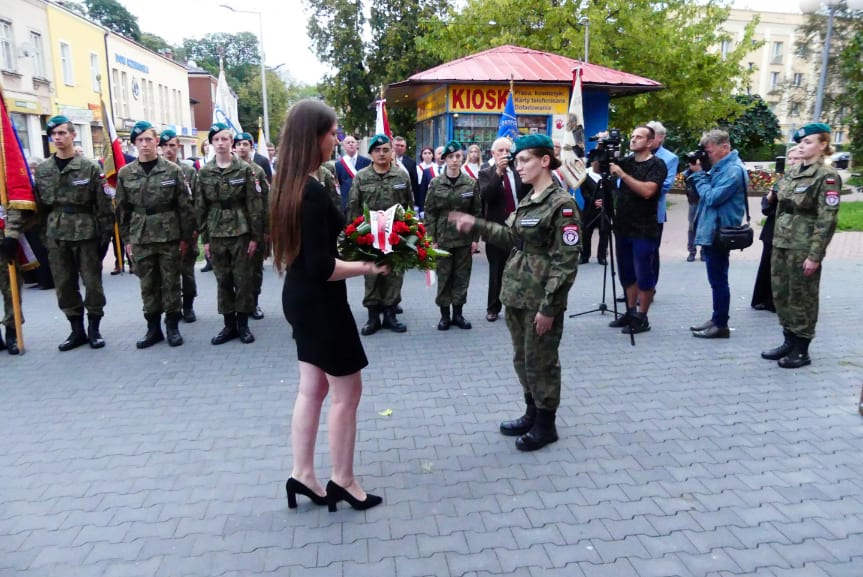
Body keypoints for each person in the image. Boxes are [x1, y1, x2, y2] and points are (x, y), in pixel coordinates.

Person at [271, 99, 387, 512]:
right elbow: (324, 267)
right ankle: (344, 480)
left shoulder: (288, 183)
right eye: (333, 132)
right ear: (314, 136)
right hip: (321, 304)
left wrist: (384, 234)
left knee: (313, 388)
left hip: (299, 300)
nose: (337, 139)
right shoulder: (313, 191)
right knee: (347, 393)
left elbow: (334, 235)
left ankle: (302, 474)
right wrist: (369, 267)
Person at [449, 134, 583, 451]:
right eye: (517, 160)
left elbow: (565, 264)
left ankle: (546, 424)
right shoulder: (528, 199)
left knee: (542, 361)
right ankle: (531, 412)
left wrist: (550, 308)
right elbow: (511, 236)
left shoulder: (561, 205)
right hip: (517, 294)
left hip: (540, 298)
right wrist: (475, 224)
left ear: (545, 161)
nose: (517, 165)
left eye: (524, 160)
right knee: (523, 359)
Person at [761, 123, 841, 368]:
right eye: (801, 142)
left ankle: (802, 348)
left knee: (802, 296)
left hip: (803, 245)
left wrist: (815, 255)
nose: (802, 146)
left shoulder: (826, 176)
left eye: (808, 142)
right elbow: (777, 202)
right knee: (781, 294)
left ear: (823, 145)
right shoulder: (793, 172)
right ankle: (788, 339)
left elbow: (826, 219)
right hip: (782, 242)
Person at [33, 115, 114, 351]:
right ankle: (76, 329)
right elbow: (40, 207)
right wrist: (44, 237)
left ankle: (94, 328)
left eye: (62, 133)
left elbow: (103, 206)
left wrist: (105, 237)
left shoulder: (89, 167)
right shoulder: (44, 169)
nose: (57, 138)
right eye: (53, 135)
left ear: (73, 135)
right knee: (64, 284)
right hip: (56, 234)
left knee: (92, 283)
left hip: (85, 232)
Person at [116, 121, 196, 348]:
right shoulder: (126, 173)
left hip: (169, 234)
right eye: (140, 140)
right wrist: (127, 240)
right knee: (148, 284)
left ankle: (172, 327)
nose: (144, 144)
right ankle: (153, 329)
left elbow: (185, 207)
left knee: (171, 282)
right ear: (134, 144)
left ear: (156, 142)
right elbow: (122, 209)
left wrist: (185, 237)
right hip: (141, 235)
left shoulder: (173, 170)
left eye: (148, 139)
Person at [196, 123, 264, 345]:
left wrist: (255, 236)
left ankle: (243, 325)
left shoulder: (244, 169)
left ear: (231, 143)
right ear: (211, 143)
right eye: (217, 139)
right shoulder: (205, 172)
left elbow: (253, 204)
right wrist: (204, 239)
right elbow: (201, 207)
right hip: (216, 232)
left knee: (242, 278)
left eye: (225, 139)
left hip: (240, 230)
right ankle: (228, 325)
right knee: (223, 280)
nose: (221, 143)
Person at [347, 134, 413, 335]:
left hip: (395, 236)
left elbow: (408, 206)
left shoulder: (401, 176)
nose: (382, 154)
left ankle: (391, 315)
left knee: (394, 275)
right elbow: (353, 207)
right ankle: (373, 317)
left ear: (391, 152)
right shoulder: (361, 177)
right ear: (371, 154)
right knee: (372, 275)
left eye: (385, 150)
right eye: (377, 150)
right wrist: (355, 236)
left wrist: (410, 234)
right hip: (370, 237)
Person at [605, 126, 667, 335]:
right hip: (623, 226)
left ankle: (643, 316)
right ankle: (630, 312)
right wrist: (602, 149)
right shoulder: (626, 162)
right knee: (627, 273)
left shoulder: (657, 165)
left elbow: (648, 191)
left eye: (638, 137)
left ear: (650, 142)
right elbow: (598, 169)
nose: (633, 140)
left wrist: (622, 175)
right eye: (631, 136)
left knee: (643, 273)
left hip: (644, 228)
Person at [687, 129, 748, 339]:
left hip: (720, 232)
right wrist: (700, 170)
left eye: (710, 151)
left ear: (725, 147)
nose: (707, 154)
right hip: (712, 230)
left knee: (719, 279)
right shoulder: (720, 168)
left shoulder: (733, 171)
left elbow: (711, 197)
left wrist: (698, 175)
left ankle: (721, 324)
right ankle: (716, 318)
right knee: (716, 279)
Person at [424, 140, 481, 330]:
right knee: (444, 276)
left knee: (461, 277)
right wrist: (431, 239)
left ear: (462, 158)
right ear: (445, 159)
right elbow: (430, 212)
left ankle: (458, 314)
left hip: (464, 240)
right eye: (451, 157)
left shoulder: (471, 183)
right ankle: (444, 315)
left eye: (458, 156)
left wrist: (475, 239)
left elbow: (476, 213)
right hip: (443, 239)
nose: (455, 160)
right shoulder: (435, 183)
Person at [477, 137, 528, 322]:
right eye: (501, 151)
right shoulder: (485, 172)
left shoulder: (518, 171)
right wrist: (498, 172)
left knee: (520, 268)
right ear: (493, 154)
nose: (505, 154)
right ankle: (493, 308)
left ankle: (517, 305)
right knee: (497, 271)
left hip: (518, 228)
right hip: (496, 230)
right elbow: (486, 195)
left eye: (508, 150)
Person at [752, 146, 800, 312]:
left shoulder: (807, 181)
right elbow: (765, 207)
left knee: (785, 269)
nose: (793, 162)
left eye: (796, 158)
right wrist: (771, 196)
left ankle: (780, 301)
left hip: (792, 231)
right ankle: (762, 299)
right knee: (767, 265)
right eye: (790, 159)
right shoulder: (782, 180)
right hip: (772, 229)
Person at [159, 129, 200, 322]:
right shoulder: (157, 171)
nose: (168, 150)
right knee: (167, 273)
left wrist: (194, 229)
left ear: (178, 147)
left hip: (185, 228)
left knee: (186, 271)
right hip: (163, 231)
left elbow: (196, 202)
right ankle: (170, 307)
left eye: (172, 145)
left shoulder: (188, 171)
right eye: (165, 146)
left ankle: (189, 305)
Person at [234, 132, 271, 320]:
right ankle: (240, 306)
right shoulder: (228, 170)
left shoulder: (259, 170)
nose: (242, 147)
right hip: (234, 228)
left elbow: (266, 201)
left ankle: (254, 303)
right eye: (238, 144)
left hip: (255, 227)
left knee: (255, 269)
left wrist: (266, 230)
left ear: (251, 147)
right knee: (237, 272)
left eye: (245, 144)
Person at [646, 121, 679, 285]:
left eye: (651, 134)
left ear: (660, 137)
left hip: (653, 212)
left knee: (651, 251)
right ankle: (632, 289)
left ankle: (649, 289)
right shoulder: (635, 155)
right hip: (632, 213)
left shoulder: (670, 158)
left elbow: (665, 186)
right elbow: (620, 182)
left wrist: (639, 189)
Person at [578, 160, 609, 265]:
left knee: (604, 232)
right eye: (596, 161)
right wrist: (593, 201)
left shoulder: (607, 175)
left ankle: (602, 256)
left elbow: (612, 191)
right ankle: (584, 255)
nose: (598, 163)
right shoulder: (585, 175)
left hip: (604, 209)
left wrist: (604, 202)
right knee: (586, 233)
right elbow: (584, 192)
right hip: (589, 209)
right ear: (592, 162)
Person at [334, 135, 370, 215]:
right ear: (344, 146)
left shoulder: (366, 162)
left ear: (357, 145)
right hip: (346, 203)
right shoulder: (338, 165)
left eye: (353, 142)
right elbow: (339, 183)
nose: (351, 144)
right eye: (348, 142)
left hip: (363, 202)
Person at [392, 136, 419, 201]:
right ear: (392, 146)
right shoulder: (386, 160)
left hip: (405, 196)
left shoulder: (411, 163)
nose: (399, 147)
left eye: (402, 146)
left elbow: (414, 182)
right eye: (397, 145)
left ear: (405, 148)